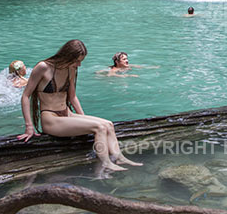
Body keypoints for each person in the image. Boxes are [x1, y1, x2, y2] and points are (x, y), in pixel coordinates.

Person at [17, 40, 141, 172]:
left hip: (67, 114)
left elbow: (72, 97)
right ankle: (105, 163)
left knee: (108, 124)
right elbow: (26, 96)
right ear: (68, 56)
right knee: (99, 127)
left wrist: (83, 118)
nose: (79, 64)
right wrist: (29, 127)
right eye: (77, 60)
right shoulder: (43, 67)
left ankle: (119, 157)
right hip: (50, 118)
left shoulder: (71, 69)